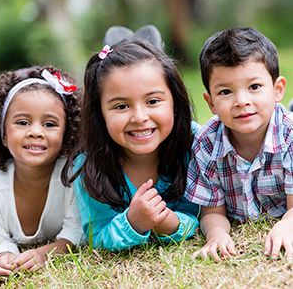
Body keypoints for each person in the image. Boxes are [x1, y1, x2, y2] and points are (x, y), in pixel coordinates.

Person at [62, 39, 200, 251]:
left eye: (153, 101)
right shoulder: (90, 165)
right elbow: (97, 235)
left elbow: (203, 212)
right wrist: (132, 222)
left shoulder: (194, 142)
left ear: (175, 101)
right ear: (100, 115)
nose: (139, 117)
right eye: (121, 106)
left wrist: (169, 224)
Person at [185, 27, 293, 262]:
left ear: (277, 90)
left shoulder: (290, 136)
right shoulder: (206, 143)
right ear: (210, 103)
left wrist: (287, 225)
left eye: (254, 87)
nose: (241, 101)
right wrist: (216, 234)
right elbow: (212, 211)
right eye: (226, 92)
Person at [0, 66, 84, 276]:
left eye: (49, 124)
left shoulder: (73, 178)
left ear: (66, 135)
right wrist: (4, 254)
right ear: (4, 135)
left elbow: (78, 230)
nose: (35, 132)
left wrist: (46, 253)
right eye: (23, 122)